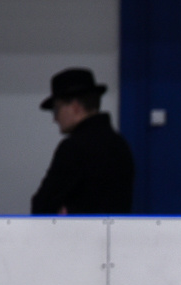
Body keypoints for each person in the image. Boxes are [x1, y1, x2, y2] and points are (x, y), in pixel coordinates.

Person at [31, 68, 134, 215]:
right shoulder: (120, 144)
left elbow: (42, 207)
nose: (55, 119)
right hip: (115, 236)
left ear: (75, 107)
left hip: (77, 236)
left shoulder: (73, 148)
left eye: (56, 109)